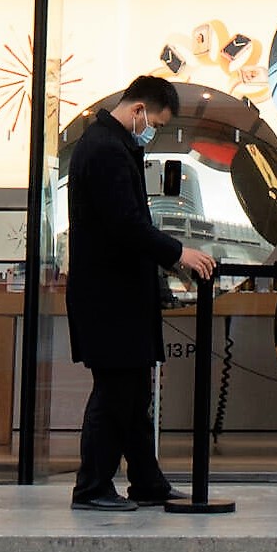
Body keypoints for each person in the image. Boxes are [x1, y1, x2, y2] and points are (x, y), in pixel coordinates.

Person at [62, 73, 214, 513]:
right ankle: (91, 487)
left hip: (119, 296)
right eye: (156, 124)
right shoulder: (106, 150)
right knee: (115, 393)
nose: (154, 131)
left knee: (133, 395)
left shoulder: (111, 146)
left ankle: (146, 481)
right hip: (110, 298)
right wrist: (179, 252)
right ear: (138, 110)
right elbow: (126, 226)